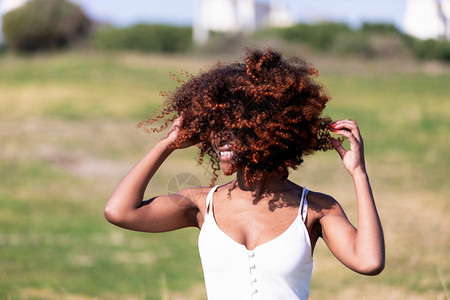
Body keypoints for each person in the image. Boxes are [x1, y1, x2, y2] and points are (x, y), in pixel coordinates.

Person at [104, 49, 385, 299]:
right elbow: (120, 212)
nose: (219, 140)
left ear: (269, 131)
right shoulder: (201, 204)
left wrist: (358, 174)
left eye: (234, 130)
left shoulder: (314, 208)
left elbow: (368, 262)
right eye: (215, 128)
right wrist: (167, 143)